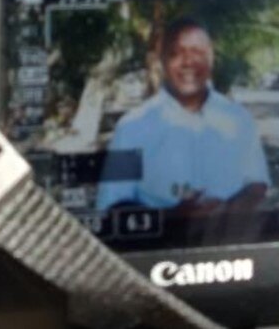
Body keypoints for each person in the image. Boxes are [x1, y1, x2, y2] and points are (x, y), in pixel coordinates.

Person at [96, 18, 270, 220]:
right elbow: (113, 204)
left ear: (211, 58)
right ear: (162, 60)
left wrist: (224, 211)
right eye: (176, 53)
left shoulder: (239, 119)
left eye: (197, 52)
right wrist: (172, 218)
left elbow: (257, 184)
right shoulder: (132, 127)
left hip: (228, 236)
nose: (188, 62)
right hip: (162, 239)